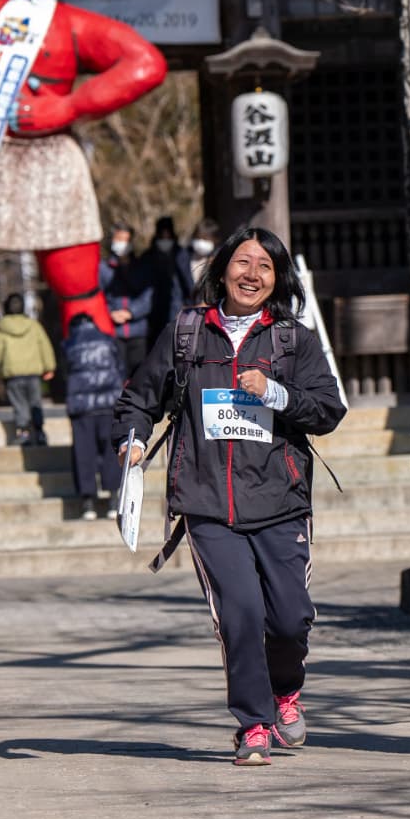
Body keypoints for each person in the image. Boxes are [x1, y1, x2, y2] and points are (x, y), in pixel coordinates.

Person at [115, 227, 347, 766]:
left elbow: (328, 411)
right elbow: (138, 400)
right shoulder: (188, 334)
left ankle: (285, 691)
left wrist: (276, 392)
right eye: (243, 262)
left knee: (289, 619)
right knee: (240, 614)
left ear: (277, 279)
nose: (252, 274)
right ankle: (253, 724)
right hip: (206, 503)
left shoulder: (293, 340)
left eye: (265, 267)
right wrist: (131, 441)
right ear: (221, 270)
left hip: (280, 499)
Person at [62, 311, 126, 520]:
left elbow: (66, 372)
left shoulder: (69, 345)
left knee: (84, 452)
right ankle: (113, 499)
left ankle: (87, 502)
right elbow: (120, 368)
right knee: (110, 450)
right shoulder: (108, 341)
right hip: (108, 404)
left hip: (82, 408)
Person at [0, 292, 56, 447]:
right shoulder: (33, 325)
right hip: (33, 372)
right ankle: (39, 431)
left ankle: (23, 432)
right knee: (35, 403)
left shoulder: (1, 328)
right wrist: (49, 366)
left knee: (19, 404)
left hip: (13, 374)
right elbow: (44, 346)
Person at [101, 223, 154, 374]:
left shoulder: (142, 266)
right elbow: (99, 296)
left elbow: (148, 295)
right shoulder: (103, 268)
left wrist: (131, 312)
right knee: (115, 373)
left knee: (138, 374)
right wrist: (110, 313)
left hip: (138, 330)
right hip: (113, 330)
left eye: (126, 240)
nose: (122, 244)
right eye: (119, 239)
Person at [142, 215, 197, 348]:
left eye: (168, 236)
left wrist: (190, 303)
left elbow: (187, 281)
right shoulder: (148, 256)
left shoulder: (180, 253)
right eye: (162, 237)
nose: (165, 240)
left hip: (176, 307)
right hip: (153, 310)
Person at [186, 218, 221, 287]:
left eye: (205, 239)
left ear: (215, 240)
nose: (201, 243)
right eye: (198, 238)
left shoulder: (220, 259)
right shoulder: (183, 258)